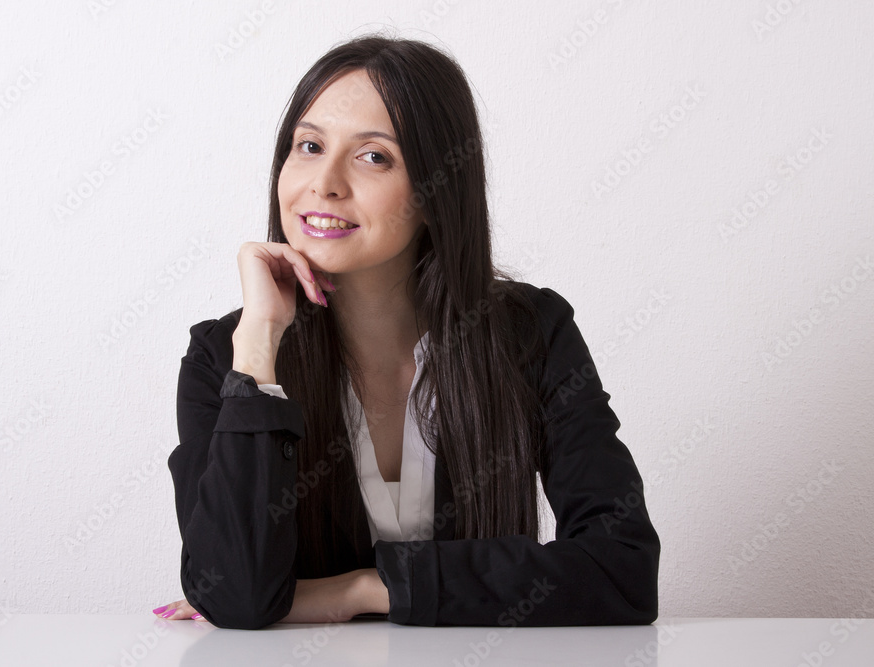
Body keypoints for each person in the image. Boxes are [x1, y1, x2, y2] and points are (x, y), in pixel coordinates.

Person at [152, 32, 659, 630]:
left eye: (373, 156)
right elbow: (232, 595)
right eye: (309, 146)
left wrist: (364, 588)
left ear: (435, 190)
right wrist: (260, 343)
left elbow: (622, 570)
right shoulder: (227, 356)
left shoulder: (531, 335)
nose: (325, 183)